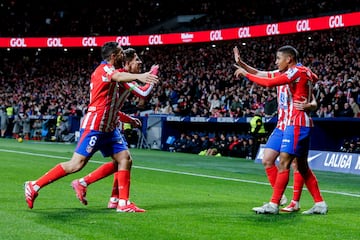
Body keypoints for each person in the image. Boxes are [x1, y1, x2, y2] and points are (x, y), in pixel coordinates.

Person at [24, 42, 159, 212]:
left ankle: (123, 203)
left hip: (109, 128)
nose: (123, 56)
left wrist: (128, 118)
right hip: (95, 126)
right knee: (76, 164)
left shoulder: (117, 73)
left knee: (125, 159)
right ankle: (34, 185)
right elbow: (122, 81)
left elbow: (113, 106)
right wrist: (143, 76)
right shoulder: (105, 70)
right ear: (113, 56)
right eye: (120, 54)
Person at [234, 45, 327, 214]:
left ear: (288, 59)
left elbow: (270, 82)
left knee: (289, 163)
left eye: (278, 59)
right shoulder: (286, 72)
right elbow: (261, 74)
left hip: (296, 122)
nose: (276, 62)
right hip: (283, 123)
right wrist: (243, 65)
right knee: (269, 159)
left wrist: (245, 74)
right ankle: (316, 203)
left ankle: (276, 203)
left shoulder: (297, 72)